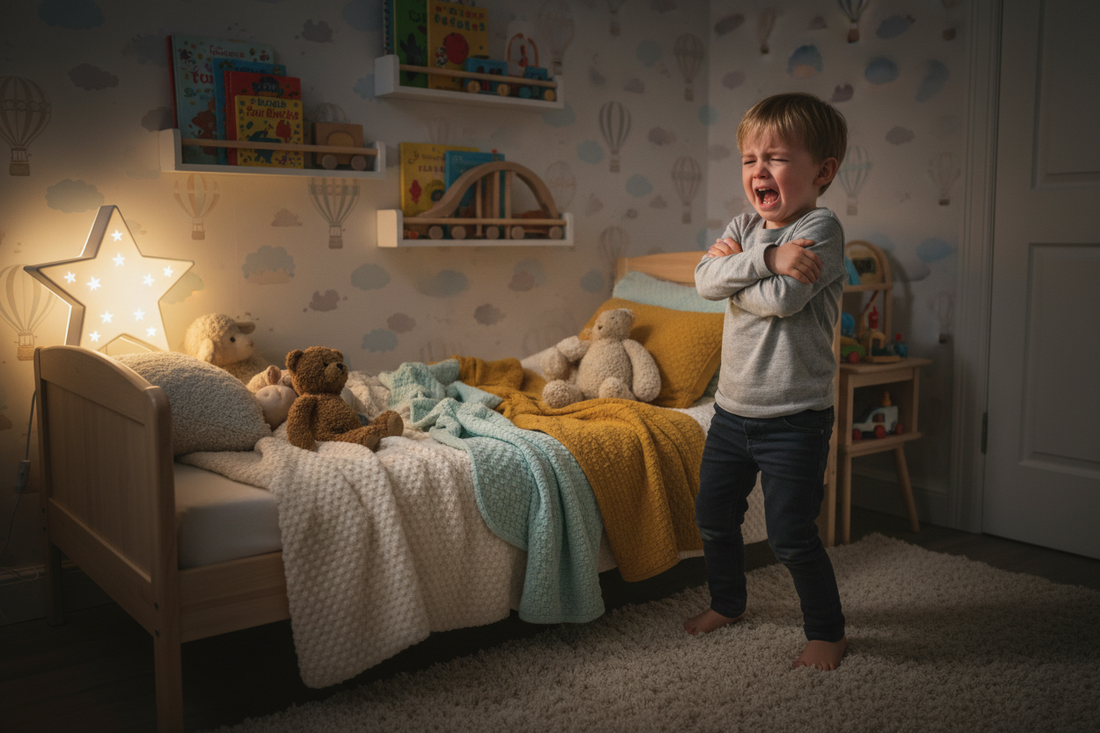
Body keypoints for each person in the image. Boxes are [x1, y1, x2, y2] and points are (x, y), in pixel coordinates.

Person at [687, 92, 849, 671]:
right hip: (732, 413)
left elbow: (782, 302)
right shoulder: (743, 225)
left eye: (775, 158)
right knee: (714, 517)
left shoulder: (822, 229)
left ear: (821, 171)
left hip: (796, 419)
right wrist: (766, 258)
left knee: (789, 534)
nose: (759, 170)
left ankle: (828, 632)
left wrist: (745, 272)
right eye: (749, 159)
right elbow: (704, 281)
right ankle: (729, 603)